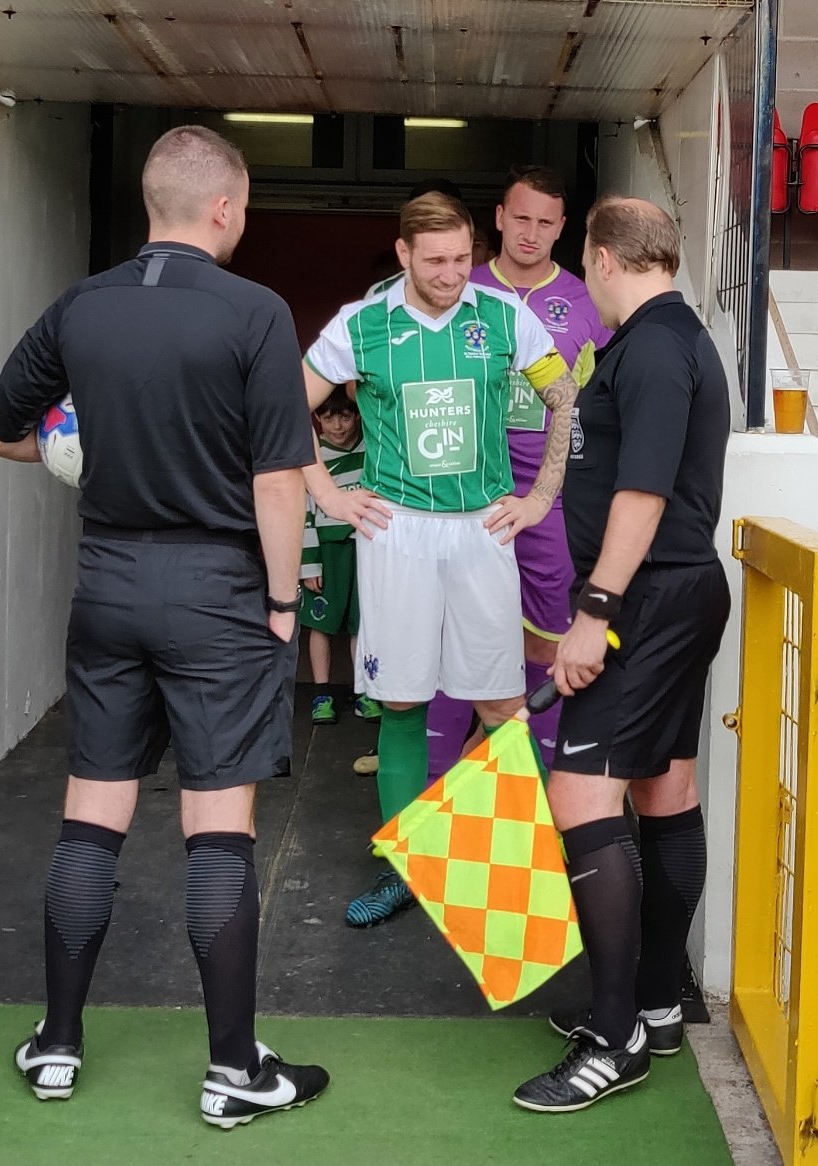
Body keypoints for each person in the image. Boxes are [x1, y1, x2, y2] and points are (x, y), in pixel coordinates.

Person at [0, 125, 329, 1127]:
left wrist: (77, 451)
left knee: (92, 815)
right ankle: (233, 1071)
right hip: (217, 591)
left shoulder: (81, 305)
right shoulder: (255, 312)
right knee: (217, 829)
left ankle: (56, 1044)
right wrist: (280, 600)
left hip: (108, 581)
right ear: (222, 207)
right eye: (245, 205)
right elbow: (277, 478)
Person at [301, 192, 578, 927]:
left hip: (481, 530)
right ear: (404, 255)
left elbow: (565, 396)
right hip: (397, 532)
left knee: (501, 705)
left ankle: (522, 863)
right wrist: (326, 492)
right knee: (401, 701)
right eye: (435, 262)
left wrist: (540, 497)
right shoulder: (362, 323)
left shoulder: (503, 316)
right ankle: (407, 871)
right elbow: (283, 402)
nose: (453, 274)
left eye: (461, 258)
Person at [513, 197, 731, 1113]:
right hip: (672, 595)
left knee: (581, 795)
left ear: (603, 257)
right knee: (664, 789)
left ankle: (616, 1040)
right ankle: (655, 1002)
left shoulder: (652, 348)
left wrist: (593, 613)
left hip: (643, 602)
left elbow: (642, 492)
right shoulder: (672, 339)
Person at [427, 165, 613, 779]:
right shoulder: (459, 286)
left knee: (547, 639)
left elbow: (601, 405)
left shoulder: (587, 302)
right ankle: (434, 790)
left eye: (545, 222)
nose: (531, 233)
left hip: (547, 499)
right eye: (522, 218)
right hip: (461, 495)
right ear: (500, 218)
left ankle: (536, 791)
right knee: (451, 637)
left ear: (562, 228)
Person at [300, 385, 381, 725]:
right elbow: (303, 513)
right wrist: (309, 564)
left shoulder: (373, 450)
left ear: (357, 416)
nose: (337, 426)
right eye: (329, 418)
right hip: (326, 551)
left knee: (362, 622)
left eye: (345, 416)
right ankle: (322, 694)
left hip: (364, 547)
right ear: (316, 419)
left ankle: (364, 693)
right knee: (321, 623)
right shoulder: (313, 456)